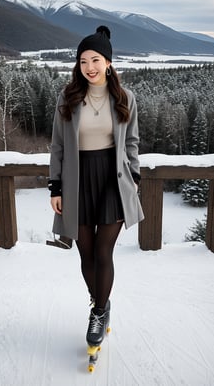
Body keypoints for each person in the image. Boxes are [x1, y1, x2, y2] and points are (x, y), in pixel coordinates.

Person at [48, 25, 144, 347]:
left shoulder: (125, 98)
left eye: (96, 60)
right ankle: (101, 302)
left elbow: (131, 143)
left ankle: (98, 312)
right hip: (77, 180)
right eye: (83, 61)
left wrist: (135, 177)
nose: (89, 67)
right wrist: (55, 187)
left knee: (104, 251)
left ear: (108, 63)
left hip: (113, 182)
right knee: (85, 253)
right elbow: (57, 146)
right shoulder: (69, 97)